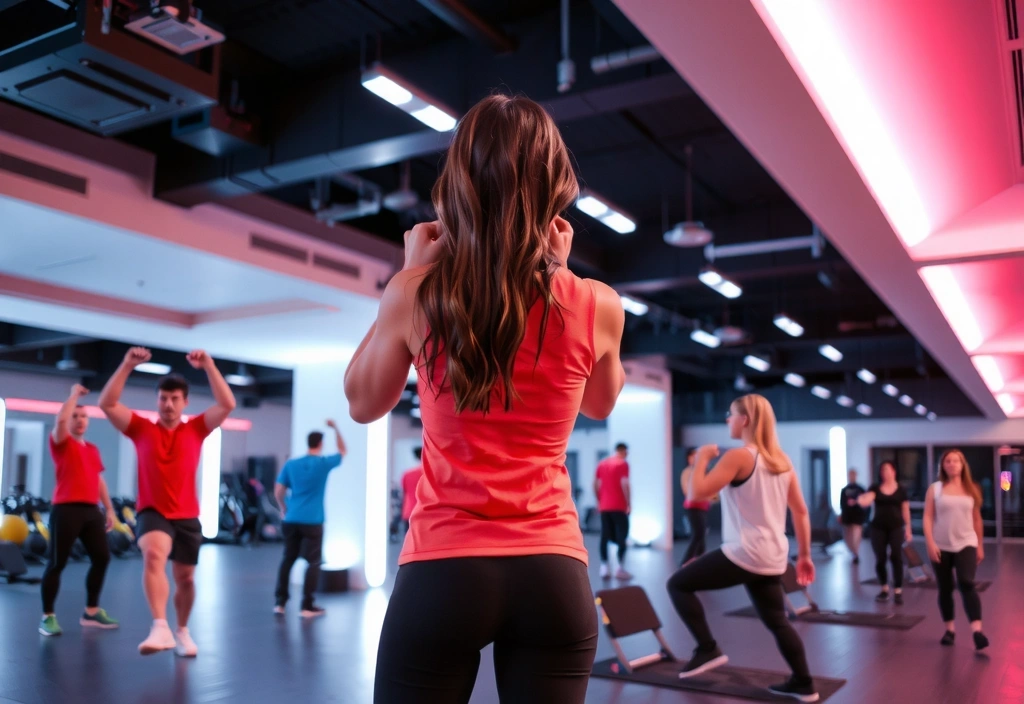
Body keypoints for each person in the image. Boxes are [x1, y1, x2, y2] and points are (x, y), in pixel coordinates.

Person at [344, 94, 625, 704]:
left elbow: (363, 402)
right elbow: (600, 404)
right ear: (554, 183)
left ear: (460, 179)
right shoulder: (598, 302)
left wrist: (403, 278)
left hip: (443, 570)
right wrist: (564, 276)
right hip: (553, 569)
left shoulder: (419, 293)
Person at [666, 394, 818, 702]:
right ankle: (804, 683)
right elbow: (801, 511)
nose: (727, 420)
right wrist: (803, 555)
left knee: (677, 584)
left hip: (745, 551)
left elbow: (696, 493)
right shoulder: (782, 460)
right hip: (772, 555)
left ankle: (707, 648)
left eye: (730, 414)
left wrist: (703, 457)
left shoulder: (739, 457)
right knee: (777, 620)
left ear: (744, 420)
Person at [99, 347, 236, 657]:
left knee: (185, 578)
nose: (169, 404)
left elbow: (228, 403)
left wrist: (210, 365)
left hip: (187, 514)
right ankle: (160, 626)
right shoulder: (141, 428)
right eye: (163, 398)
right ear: (157, 401)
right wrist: (126, 364)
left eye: (175, 399)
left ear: (185, 402)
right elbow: (107, 403)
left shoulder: (196, 429)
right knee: (152, 557)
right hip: (152, 511)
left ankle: (182, 631)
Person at [39, 384, 119, 637]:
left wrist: (110, 509)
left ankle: (91, 612)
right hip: (65, 510)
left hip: (90, 511)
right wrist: (73, 395)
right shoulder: (60, 443)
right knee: (56, 563)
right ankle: (48, 617)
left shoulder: (92, 449)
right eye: (75, 416)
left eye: (83, 416)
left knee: (102, 558)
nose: (79, 420)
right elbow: (61, 418)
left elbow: (98, 479)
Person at [273, 420, 346, 618]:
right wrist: (336, 428)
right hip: (313, 520)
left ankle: (280, 603)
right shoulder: (323, 464)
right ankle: (307, 606)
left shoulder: (292, 464)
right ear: (320, 444)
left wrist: (284, 508)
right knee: (313, 563)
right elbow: (342, 450)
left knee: (288, 558)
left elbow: (278, 490)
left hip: (291, 519)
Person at [924, 449, 989, 650]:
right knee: (945, 588)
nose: (952, 464)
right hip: (941, 545)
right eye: (948, 461)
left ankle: (977, 631)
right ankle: (949, 630)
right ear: (943, 466)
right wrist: (930, 543)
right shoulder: (935, 489)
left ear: (962, 465)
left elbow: (977, 519)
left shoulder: (972, 488)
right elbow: (927, 517)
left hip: (966, 543)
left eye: (956, 461)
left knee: (966, 582)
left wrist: (980, 544)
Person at [858, 460, 911, 604]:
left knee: (896, 556)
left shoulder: (901, 489)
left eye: (887, 469)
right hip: (878, 528)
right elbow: (866, 501)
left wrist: (908, 529)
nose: (885, 472)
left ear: (893, 471)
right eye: (882, 470)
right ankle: (884, 589)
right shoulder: (875, 488)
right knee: (880, 558)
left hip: (896, 527)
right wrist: (862, 499)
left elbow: (905, 509)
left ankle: (898, 590)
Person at [594, 443, 632, 580]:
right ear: (622, 451)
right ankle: (619, 568)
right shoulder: (623, 464)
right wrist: (629, 503)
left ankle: (604, 567)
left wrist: (599, 501)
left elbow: (596, 484)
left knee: (605, 535)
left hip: (605, 506)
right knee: (622, 535)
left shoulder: (602, 464)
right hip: (619, 506)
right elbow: (625, 484)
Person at [680, 447, 714, 566]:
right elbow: (687, 491)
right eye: (693, 456)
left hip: (702, 507)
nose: (696, 458)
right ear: (689, 458)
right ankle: (685, 562)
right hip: (693, 507)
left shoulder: (703, 471)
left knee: (701, 535)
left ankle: (700, 561)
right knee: (698, 534)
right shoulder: (688, 472)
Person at [839, 469, 867, 563]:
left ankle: (855, 553)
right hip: (847, 517)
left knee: (856, 537)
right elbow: (842, 504)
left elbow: (865, 503)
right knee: (847, 538)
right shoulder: (844, 490)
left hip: (857, 517)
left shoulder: (861, 489)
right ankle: (853, 552)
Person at [400, 448, 424, 534]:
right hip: (424, 512)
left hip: (409, 510)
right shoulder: (430, 474)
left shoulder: (407, 474)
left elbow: (404, 492)